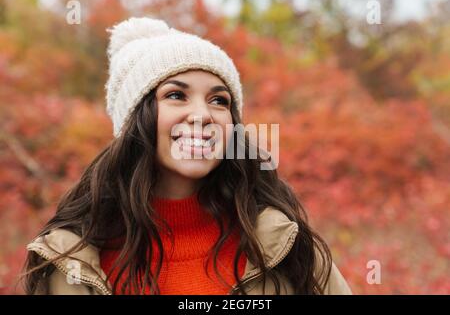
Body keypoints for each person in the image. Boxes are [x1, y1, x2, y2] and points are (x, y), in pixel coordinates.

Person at [22, 17, 352, 295]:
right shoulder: (70, 256)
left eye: (219, 101)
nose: (203, 114)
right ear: (136, 119)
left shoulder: (283, 242)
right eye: (176, 95)